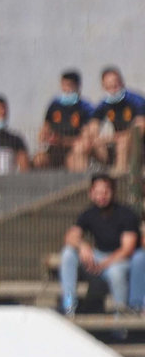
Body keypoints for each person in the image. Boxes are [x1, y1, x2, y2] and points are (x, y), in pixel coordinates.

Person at [59, 174, 138, 315]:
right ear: (91, 193)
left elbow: (127, 249)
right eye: (98, 192)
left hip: (119, 260)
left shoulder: (126, 214)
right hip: (98, 256)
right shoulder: (88, 213)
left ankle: (120, 320)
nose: (102, 196)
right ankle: (69, 305)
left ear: (113, 192)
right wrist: (82, 245)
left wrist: (104, 264)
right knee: (68, 254)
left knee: (116, 273)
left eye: (106, 191)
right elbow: (70, 236)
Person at [84, 67, 145, 169]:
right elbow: (93, 127)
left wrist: (116, 137)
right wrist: (99, 139)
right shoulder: (103, 105)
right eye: (109, 85)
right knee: (85, 144)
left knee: (123, 143)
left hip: (138, 144)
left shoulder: (136, 101)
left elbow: (139, 129)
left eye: (115, 83)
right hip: (115, 141)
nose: (113, 87)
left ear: (122, 82)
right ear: (104, 86)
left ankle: (119, 177)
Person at [34, 70, 92, 170]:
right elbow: (45, 128)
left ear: (78, 86)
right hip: (54, 149)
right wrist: (45, 138)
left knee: (75, 161)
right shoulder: (54, 105)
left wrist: (63, 141)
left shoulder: (85, 107)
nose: (66, 89)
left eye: (69, 85)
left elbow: (86, 137)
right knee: (39, 160)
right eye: (64, 85)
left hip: (73, 150)